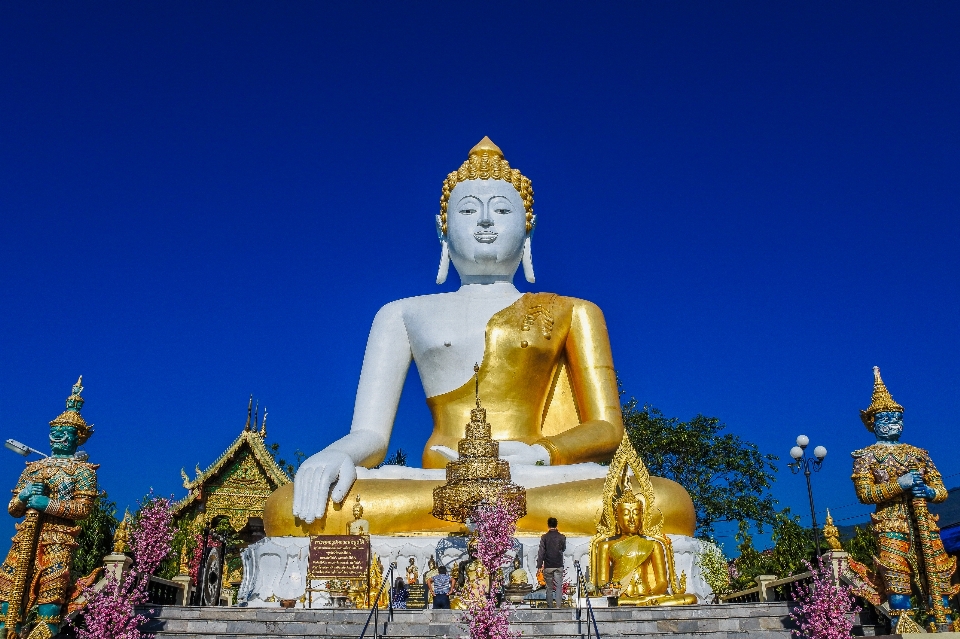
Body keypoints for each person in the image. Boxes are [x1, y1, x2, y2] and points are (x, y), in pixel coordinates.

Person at [537, 517, 565, 608]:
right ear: (556, 525)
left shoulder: (544, 537)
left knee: (549, 587)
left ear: (548, 525)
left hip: (548, 565)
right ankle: (558, 605)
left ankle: (550, 605)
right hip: (558, 564)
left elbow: (541, 552)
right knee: (558, 586)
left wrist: (539, 565)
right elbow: (563, 549)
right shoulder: (562, 537)